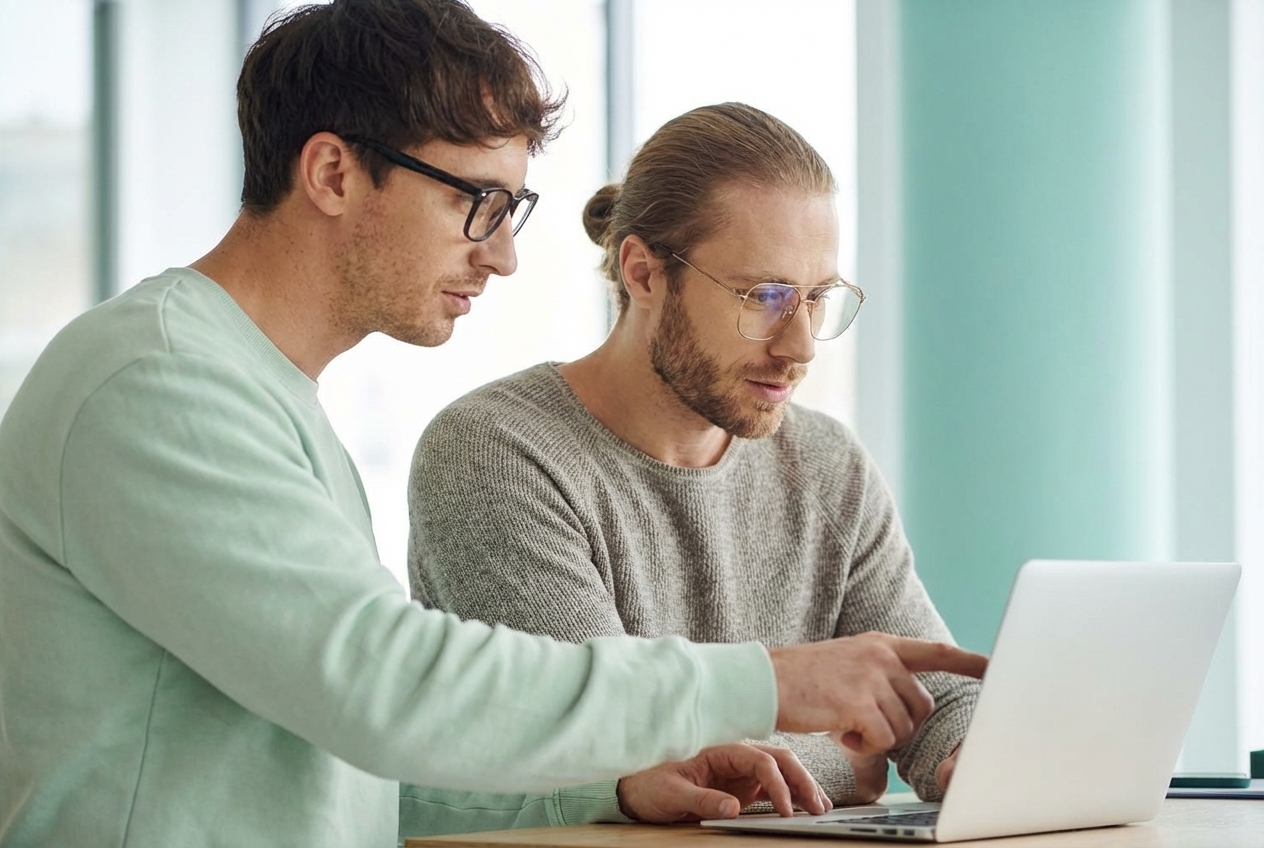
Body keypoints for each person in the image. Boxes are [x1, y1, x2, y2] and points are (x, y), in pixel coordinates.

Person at [0, 3, 987, 845]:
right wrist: (758, 681)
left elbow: (350, 767)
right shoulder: (161, 383)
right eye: (477, 202)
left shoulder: (261, 391)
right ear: (335, 174)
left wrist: (610, 783)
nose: (504, 255)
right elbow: (390, 689)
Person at [409, 102, 981, 806]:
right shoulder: (497, 453)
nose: (799, 345)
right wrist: (842, 758)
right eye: (763, 296)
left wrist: (969, 756)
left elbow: (934, 701)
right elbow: (609, 739)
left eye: (817, 299)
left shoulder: (826, 464)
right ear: (644, 273)